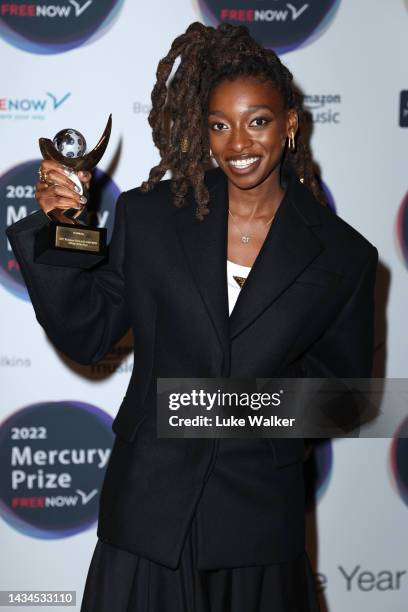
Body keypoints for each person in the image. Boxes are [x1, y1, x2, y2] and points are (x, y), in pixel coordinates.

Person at [6, 21, 378, 612]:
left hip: (257, 526)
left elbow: (348, 399)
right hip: (147, 517)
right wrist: (67, 231)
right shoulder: (151, 216)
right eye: (219, 125)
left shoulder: (344, 255)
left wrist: (221, 408)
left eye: (257, 121)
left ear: (289, 124)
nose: (238, 144)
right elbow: (88, 330)